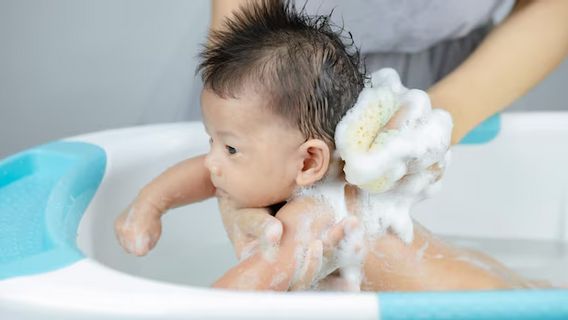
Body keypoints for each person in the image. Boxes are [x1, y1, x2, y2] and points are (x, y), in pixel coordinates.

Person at [115, 0, 539, 291]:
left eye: (226, 150)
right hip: (274, 68)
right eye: (213, 143)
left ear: (310, 161)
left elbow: (244, 292)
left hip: (484, 297)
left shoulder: (312, 213)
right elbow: (197, 174)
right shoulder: (267, 152)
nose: (211, 162)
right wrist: (149, 205)